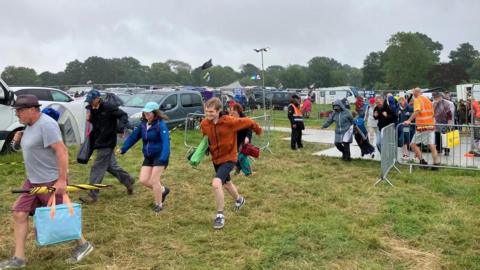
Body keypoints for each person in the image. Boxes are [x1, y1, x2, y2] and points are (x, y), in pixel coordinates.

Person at [0, 95, 93, 269]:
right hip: (32, 181)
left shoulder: (47, 125)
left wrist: (62, 180)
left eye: (20, 111)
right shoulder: (29, 126)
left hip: (50, 182)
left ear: (32, 109)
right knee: (19, 213)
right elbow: (32, 149)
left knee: (64, 216)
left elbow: (62, 151)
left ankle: (83, 244)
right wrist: (18, 142)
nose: (17, 114)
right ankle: (19, 258)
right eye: (16, 111)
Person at [200, 97, 262, 229]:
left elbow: (248, 121)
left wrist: (257, 129)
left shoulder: (229, 121)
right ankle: (240, 200)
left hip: (229, 157)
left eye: (211, 112)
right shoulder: (205, 123)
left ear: (219, 111)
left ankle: (220, 216)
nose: (208, 114)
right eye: (206, 111)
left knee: (216, 184)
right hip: (216, 158)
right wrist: (201, 151)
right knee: (227, 184)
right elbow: (205, 137)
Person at [79, 89, 134, 203]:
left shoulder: (108, 107)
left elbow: (123, 115)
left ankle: (92, 195)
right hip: (99, 141)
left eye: (91, 100)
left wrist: (120, 128)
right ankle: (128, 180)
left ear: (97, 98)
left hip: (107, 141)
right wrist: (90, 119)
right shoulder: (92, 109)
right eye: (88, 101)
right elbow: (97, 124)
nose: (89, 103)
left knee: (97, 167)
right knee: (110, 166)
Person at [118, 102, 171, 213]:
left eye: (149, 112)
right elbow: (133, 137)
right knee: (143, 180)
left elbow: (166, 143)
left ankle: (159, 205)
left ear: (155, 113)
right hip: (148, 156)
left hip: (160, 156)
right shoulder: (143, 124)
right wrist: (123, 149)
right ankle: (163, 190)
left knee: (154, 180)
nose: (146, 113)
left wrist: (164, 158)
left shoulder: (161, 125)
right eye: (145, 111)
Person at [403, 87, 439, 169]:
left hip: (422, 126)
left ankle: (423, 162)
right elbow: (432, 112)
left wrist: (409, 120)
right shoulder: (427, 99)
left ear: (415, 93)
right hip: (430, 125)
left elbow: (417, 111)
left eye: (412, 93)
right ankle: (436, 164)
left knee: (413, 144)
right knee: (432, 145)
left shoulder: (417, 99)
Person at [228, 103, 253, 176]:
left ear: (237, 110)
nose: (231, 111)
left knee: (242, 157)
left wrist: (247, 137)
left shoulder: (244, 118)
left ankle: (248, 173)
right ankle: (238, 169)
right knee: (238, 157)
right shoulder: (231, 117)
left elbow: (249, 129)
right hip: (236, 140)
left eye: (232, 110)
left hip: (245, 140)